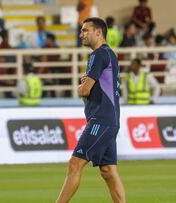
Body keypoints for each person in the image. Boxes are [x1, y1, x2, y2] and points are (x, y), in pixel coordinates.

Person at [56, 17, 125, 203]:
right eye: (81, 30)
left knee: (75, 164)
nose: (81, 34)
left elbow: (85, 90)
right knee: (108, 171)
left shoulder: (98, 55)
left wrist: (81, 88)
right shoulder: (110, 54)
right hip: (111, 120)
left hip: (101, 120)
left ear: (98, 32)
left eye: (85, 30)